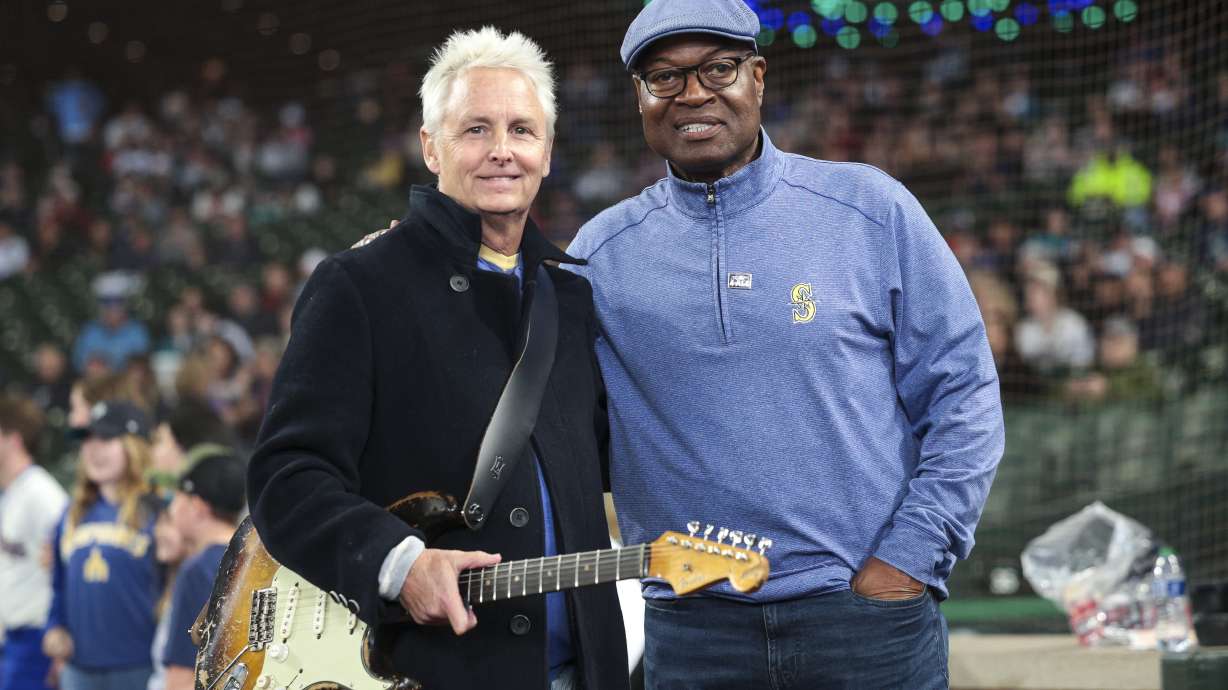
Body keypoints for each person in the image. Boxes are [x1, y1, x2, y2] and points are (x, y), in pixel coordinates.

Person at [565, 1, 1005, 687]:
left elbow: (965, 394)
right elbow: (560, 431)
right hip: (693, 630)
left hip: (864, 620)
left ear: (758, 77)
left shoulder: (868, 208)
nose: (693, 94)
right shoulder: (599, 254)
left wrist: (910, 560)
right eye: (664, 77)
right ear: (640, 97)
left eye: (718, 68)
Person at [248, 27, 627, 690]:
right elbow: (287, 478)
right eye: (475, 130)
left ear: (547, 151)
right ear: (431, 147)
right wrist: (397, 564)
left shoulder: (573, 298)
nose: (502, 151)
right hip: (427, 672)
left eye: (522, 130)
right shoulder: (359, 285)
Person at [43, 400, 162, 690]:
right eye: (87, 439)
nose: (92, 449)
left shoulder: (157, 510)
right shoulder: (72, 513)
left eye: (106, 438)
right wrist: (54, 627)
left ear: (135, 446)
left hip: (141, 667)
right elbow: (58, 585)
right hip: (79, 668)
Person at [0, 395, 69, 690]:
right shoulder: (11, 491)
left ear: (13, 440)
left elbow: (69, 556)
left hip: (35, 639)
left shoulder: (41, 492)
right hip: (13, 637)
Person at [162, 449, 246, 690]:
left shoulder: (197, 570)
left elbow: (180, 678)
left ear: (197, 507)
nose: (172, 508)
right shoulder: (257, 562)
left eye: (178, 498)